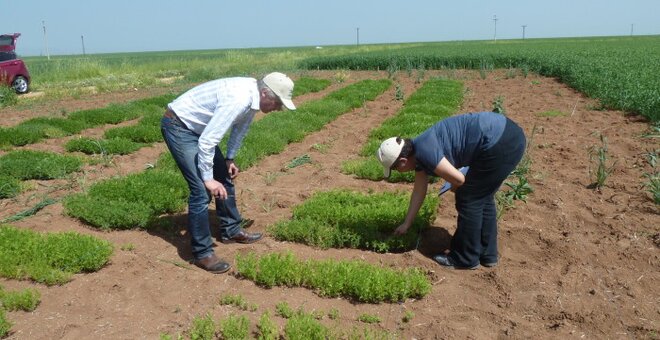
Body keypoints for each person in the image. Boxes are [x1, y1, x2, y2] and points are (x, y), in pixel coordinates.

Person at [161, 72, 296, 274]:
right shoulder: (239, 99)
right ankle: (203, 253)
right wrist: (208, 179)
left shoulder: (253, 97)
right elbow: (207, 142)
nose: (278, 108)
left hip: (199, 129)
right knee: (200, 190)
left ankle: (231, 230)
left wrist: (229, 158)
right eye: (278, 103)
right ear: (266, 93)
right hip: (180, 127)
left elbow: (240, 129)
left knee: (224, 175)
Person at [376, 111, 526, 269]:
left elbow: (459, 179)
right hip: (507, 136)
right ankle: (488, 255)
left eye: (395, 169)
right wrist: (407, 223)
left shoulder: (424, 151)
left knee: (468, 198)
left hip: (500, 142)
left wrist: (456, 185)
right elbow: (419, 191)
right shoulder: (418, 152)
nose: (398, 172)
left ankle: (465, 258)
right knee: (482, 196)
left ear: (403, 162)